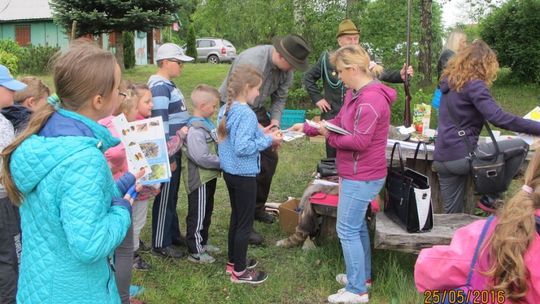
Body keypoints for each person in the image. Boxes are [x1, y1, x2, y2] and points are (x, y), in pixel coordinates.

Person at [1, 41, 137, 303]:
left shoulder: (43, 138)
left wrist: (126, 183)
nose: (121, 95)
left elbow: (70, 200)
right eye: (118, 90)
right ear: (99, 100)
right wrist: (123, 208)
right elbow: (90, 244)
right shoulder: (84, 158)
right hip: (75, 291)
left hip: (39, 287)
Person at [290, 45, 397, 303]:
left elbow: (359, 142)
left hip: (363, 175)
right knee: (356, 225)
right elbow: (339, 122)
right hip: (354, 172)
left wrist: (329, 137)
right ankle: (361, 276)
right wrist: (311, 127)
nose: (337, 76)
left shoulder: (371, 100)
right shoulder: (355, 94)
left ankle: (357, 290)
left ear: (353, 69)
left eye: (339, 71)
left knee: (347, 229)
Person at [218, 34, 311, 244]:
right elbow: (237, 101)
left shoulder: (287, 70)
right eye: (291, 63)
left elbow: (280, 98)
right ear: (279, 54)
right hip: (235, 107)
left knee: (269, 157)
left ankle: (257, 208)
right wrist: (262, 131)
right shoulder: (252, 61)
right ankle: (244, 221)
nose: (292, 69)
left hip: (256, 110)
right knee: (244, 164)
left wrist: (275, 125)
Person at [415, 149, 540, 303]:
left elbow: (434, 269)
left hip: (451, 156)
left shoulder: (489, 234)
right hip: (462, 157)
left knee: (451, 207)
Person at [433, 39, 540, 214]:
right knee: (519, 145)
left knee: (451, 216)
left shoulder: (449, 84)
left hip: (442, 158)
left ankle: (452, 239)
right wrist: (537, 127)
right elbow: (498, 117)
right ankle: (492, 197)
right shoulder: (474, 85)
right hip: (462, 156)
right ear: (485, 64)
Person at [303, 19, 413, 158]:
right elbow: (308, 78)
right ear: (340, 41)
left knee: (354, 154)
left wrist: (400, 75)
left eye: (356, 39)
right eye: (349, 39)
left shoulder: (362, 57)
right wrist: (318, 98)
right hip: (333, 114)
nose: (354, 42)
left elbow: (378, 72)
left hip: (356, 116)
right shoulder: (327, 59)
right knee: (333, 157)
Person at [217, 64, 282, 284]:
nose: (258, 93)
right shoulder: (245, 113)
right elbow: (242, 147)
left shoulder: (227, 108)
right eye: (257, 89)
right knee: (244, 223)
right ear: (246, 88)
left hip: (230, 173)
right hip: (244, 175)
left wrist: (261, 131)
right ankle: (240, 272)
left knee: (236, 218)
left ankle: (233, 262)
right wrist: (268, 140)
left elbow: (235, 136)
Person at [99, 85, 147, 304]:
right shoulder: (107, 125)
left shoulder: (116, 122)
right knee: (121, 248)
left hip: (123, 188)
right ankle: (121, 297)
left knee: (123, 249)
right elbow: (114, 156)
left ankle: (121, 293)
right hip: (117, 194)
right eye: (119, 90)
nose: (123, 95)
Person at [148, 43, 193, 258]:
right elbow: (159, 121)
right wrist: (166, 156)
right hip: (167, 151)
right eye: (179, 62)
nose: (181, 67)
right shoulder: (159, 87)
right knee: (165, 196)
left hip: (174, 148)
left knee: (172, 194)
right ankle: (160, 243)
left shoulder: (167, 84)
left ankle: (173, 234)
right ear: (165, 62)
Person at [181, 84, 221, 264]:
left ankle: (203, 242)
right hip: (199, 179)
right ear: (203, 105)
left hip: (209, 176)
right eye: (213, 106)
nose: (215, 109)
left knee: (207, 210)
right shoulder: (196, 129)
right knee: (197, 214)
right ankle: (195, 250)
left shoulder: (206, 123)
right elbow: (200, 157)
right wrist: (223, 162)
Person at [0, 65, 27, 304]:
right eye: (9, 89)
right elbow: (11, 163)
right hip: (3, 201)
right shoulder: (3, 124)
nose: (13, 94)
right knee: (10, 256)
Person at [129, 83, 158, 271]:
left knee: (133, 220)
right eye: (147, 101)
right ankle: (131, 255)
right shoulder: (142, 128)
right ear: (133, 104)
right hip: (139, 188)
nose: (152, 105)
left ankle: (132, 246)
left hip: (136, 186)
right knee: (136, 221)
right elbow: (149, 158)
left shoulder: (134, 123)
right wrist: (155, 181)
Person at [432, 30, 468, 110]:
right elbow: (452, 78)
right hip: (445, 97)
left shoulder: (452, 55)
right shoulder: (449, 55)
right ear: (457, 42)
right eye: (464, 42)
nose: (466, 45)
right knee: (447, 122)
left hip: (447, 96)